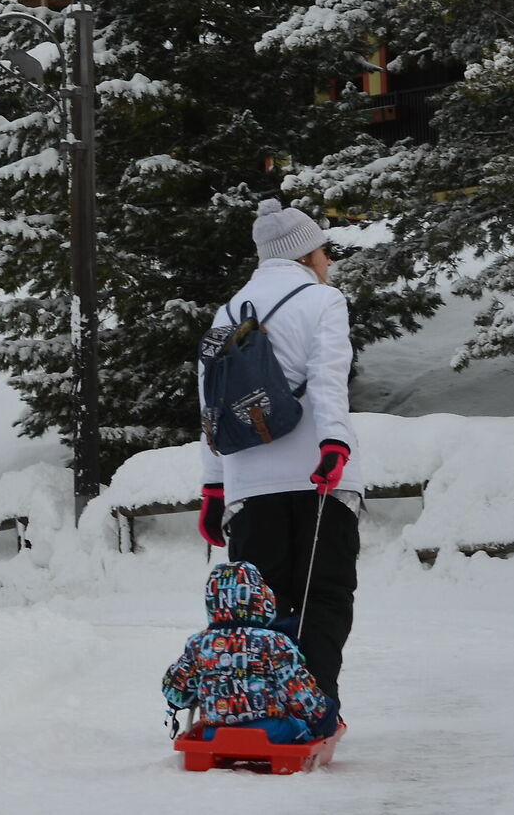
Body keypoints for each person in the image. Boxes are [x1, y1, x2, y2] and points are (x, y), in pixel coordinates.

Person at [196, 198, 358, 730]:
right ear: (306, 252)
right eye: (324, 249)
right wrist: (334, 443)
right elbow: (329, 377)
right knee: (325, 595)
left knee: (259, 611)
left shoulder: (227, 312)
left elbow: (211, 404)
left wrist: (214, 486)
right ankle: (315, 710)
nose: (329, 260)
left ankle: (259, 715)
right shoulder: (322, 301)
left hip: (249, 482)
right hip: (321, 479)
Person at [161, 561, 330, 743]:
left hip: (214, 733)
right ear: (262, 598)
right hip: (270, 731)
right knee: (300, 728)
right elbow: (297, 687)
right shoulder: (273, 641)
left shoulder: (200, 643)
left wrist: (179, 700)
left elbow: (175, 689)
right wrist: (324, 715)